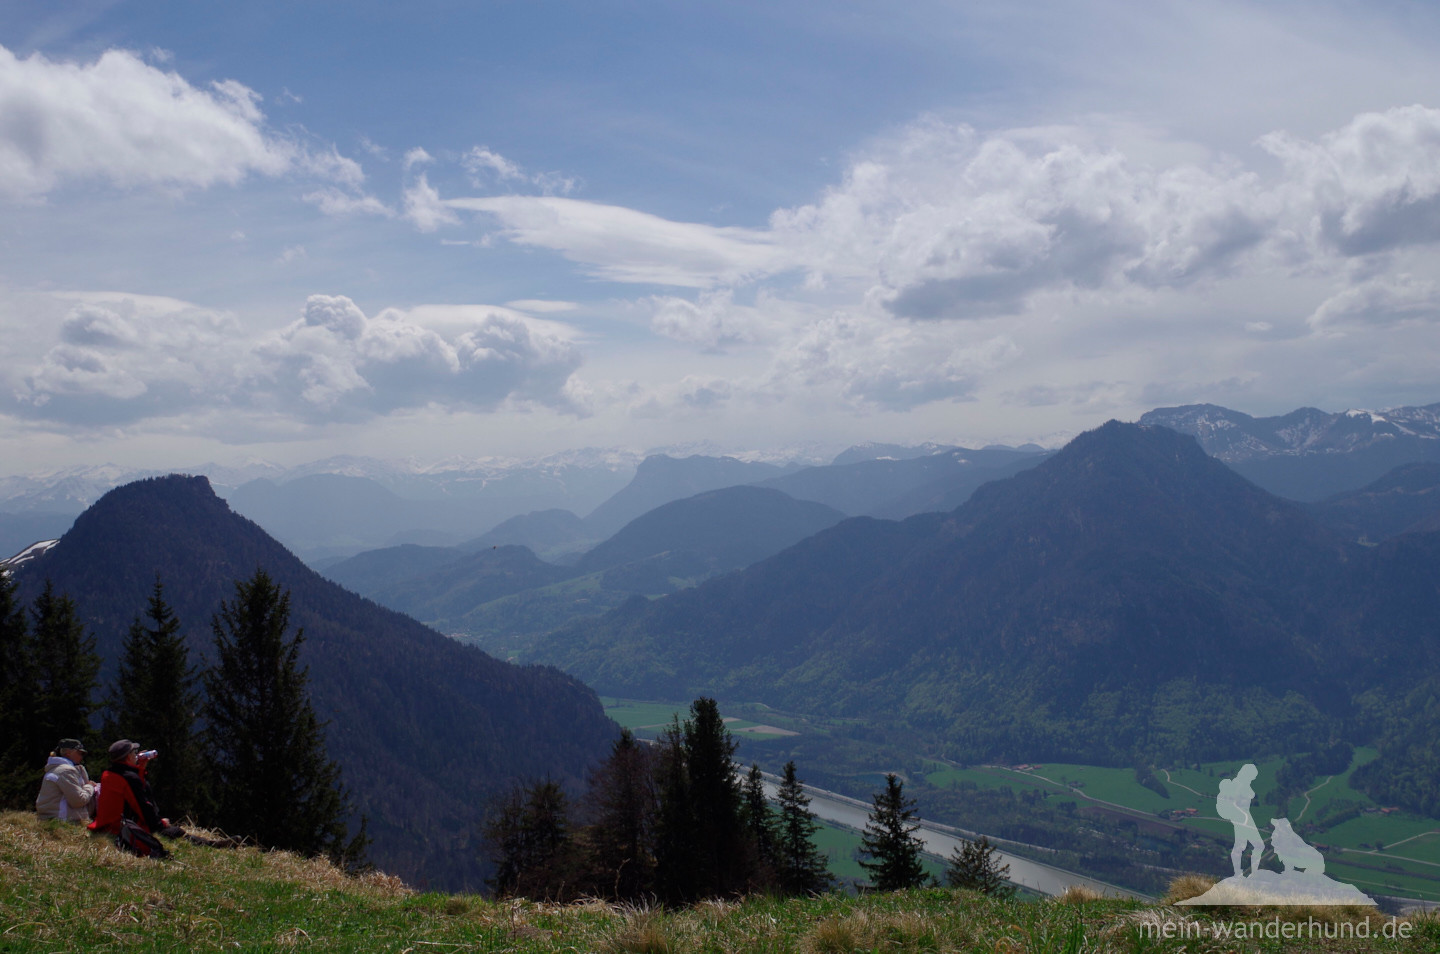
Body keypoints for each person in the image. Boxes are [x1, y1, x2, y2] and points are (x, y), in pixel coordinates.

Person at [88, 739, 173, 837]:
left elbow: (135, 788)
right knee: (179, 833)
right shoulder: (129, 778)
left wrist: (140, 767)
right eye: (134, 752)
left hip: (105, 825)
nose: (136, 755)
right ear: (128, 756)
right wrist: (161, 824)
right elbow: (143, 806)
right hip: (122, 829)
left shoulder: (107, 774)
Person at [1217, 763, 1265, 879]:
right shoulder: (1239, 785)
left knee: (1247, 845)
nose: (1253, 778)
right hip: (1242, 818)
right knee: (1250, 845)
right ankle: (1245, 873)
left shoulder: (1241, 784)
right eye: (1253, 776)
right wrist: (1243, 815)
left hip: (1244, 818)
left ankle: (1243, 873)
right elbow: (1234, 802)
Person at [35, 738, 96, 823]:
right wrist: (89, 786)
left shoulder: (55, 768)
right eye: (80, 753)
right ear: (68, 753)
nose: (82, 756)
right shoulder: (66, 771)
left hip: (49, 819)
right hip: (62, 820)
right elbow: (78, 800)